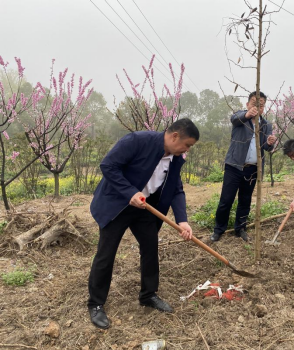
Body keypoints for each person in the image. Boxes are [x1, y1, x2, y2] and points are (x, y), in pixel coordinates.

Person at [87, 118, 199, 329]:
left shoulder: (175, 158)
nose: (188, 150)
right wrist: (130, 193)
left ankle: (148, 294)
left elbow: (176, 189)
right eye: (188, 145)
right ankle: (96, 303)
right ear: (175, 136)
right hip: (117, 204)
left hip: (145, 207)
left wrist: (182, 220)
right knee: (106, 253)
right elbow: (108, 166)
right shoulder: (138, 140)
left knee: (150, 248)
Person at [210, 91, 276, 242]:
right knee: (226, 200)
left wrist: (270, 144)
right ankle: (218, 230)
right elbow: (234, 119)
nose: (257, 108)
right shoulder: (240, 118)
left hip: (252, 169)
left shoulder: (266, 125)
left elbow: (265, 148)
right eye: (254, 104)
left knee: (245, 200)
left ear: (263, 108)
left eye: (260, 105)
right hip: (234, 166)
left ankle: (240, 229)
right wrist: (247, 114)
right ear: (247, 104)